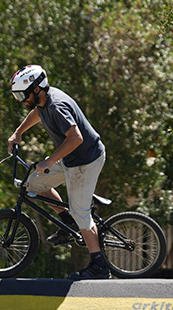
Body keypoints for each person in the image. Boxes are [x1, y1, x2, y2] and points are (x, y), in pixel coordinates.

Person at [7, 65, 109, 280]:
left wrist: (49, 161)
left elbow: (76, 138)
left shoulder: (56, 106)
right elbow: (37, 113)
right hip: (70, 158)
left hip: (86, 160)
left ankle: (99, 266)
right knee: (33, 184)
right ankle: (67, 221)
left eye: (22, 95)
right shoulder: (43, 102)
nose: (21, 101)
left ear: (36, 90)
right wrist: (18, 133)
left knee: (81, 211)